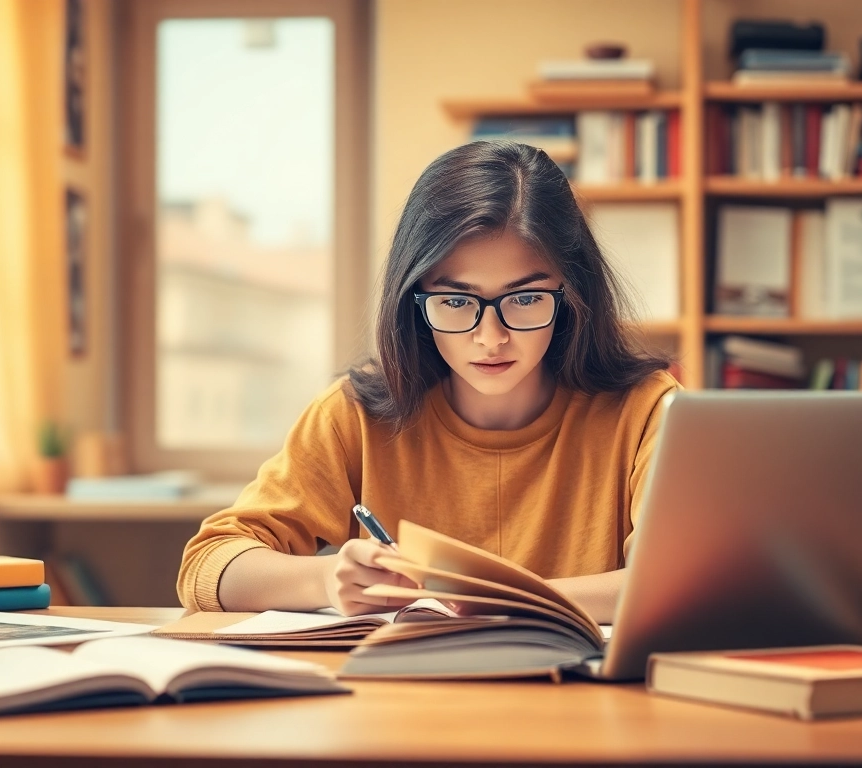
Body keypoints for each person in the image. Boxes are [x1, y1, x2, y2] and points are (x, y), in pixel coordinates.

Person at [177, 140, 677, 620]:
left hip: (585, 702)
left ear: (572, 294)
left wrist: (483, 598)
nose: (490, 337)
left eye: (525, 299)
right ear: (413, 300)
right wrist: (325, 580)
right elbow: (208, 566)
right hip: (397, 701)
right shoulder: (356, 415)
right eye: (457, 301)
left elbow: (674, 584)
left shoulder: (647, 412)